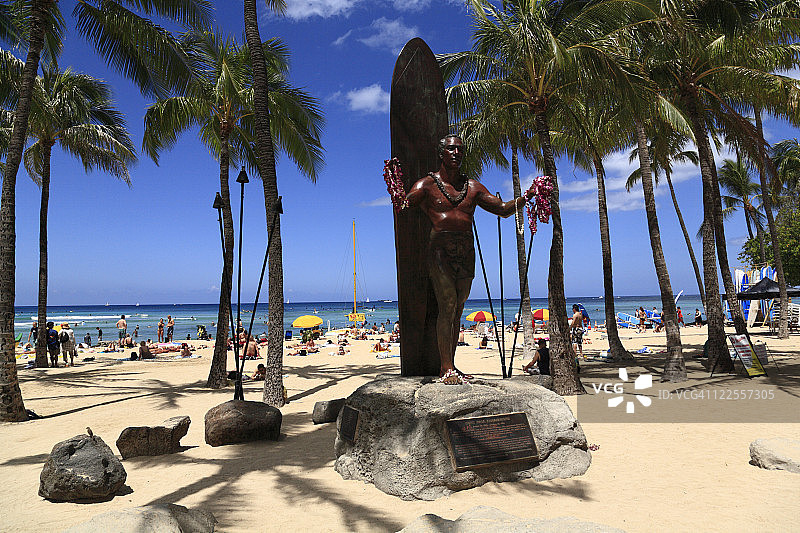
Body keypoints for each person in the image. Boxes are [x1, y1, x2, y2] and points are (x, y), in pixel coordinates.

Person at [405, 134, 535, 384]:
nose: (456, 154)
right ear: (441, 153)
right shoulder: (427, 185)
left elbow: (503, 209)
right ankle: (445, 368)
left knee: (458, 308)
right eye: (452, 150)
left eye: (460, 150)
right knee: (448, 304)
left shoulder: (472, 187)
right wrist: (397, 190)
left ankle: (451, 364)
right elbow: (405, 204)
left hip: (466, 250)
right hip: (440, 249)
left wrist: (527, 196)